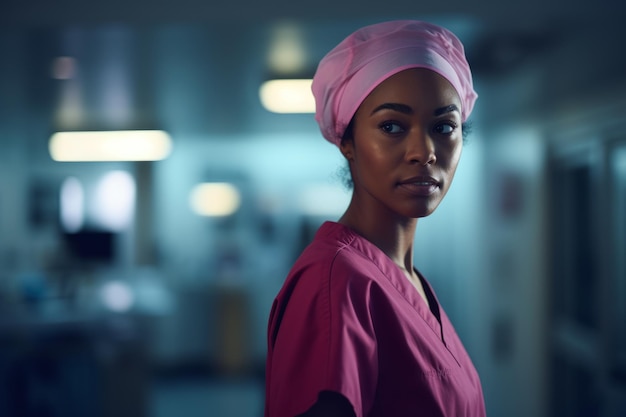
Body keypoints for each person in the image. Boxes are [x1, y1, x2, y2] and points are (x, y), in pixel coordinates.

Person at [265, 20, 485, 417]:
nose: (424, 151)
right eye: (392, 126)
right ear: (347, 142)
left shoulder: (408, 279)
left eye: (444, 127)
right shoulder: (336, 283)